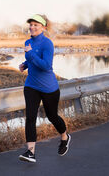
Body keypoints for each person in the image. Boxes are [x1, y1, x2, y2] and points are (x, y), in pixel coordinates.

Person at [18, 14, 71, 163]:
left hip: (48, 88)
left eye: (36, 24)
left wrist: (30, 55)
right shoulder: (28, 41)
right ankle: (31, 152)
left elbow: (46, 65)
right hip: (31, 85)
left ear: (43, 27)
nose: (32, 27)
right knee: (30, 117)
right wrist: (25, 64)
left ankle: (65, 137)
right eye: (31, 24)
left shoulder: (47, 43)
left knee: (52, 116)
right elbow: (32, 59)